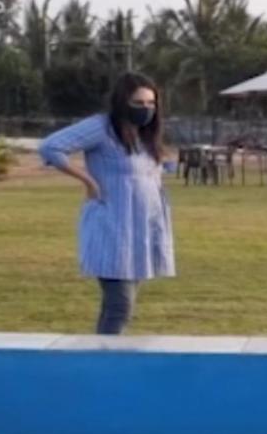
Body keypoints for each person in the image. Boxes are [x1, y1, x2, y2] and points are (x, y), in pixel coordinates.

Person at [38, 72, 174, 335]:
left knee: (124, 306)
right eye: (139, 103)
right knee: (119, 305)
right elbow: (50, 147)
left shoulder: (143, 135)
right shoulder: (101, 128)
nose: (145, 110)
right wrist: (88, 181)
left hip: (140, 229)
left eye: (150, 104)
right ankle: (103, 362)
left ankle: (108, 354)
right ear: (122, 102)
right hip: (113, 226)